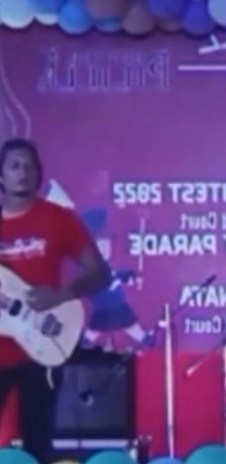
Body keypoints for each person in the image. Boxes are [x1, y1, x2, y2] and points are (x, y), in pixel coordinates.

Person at [0, 137, 110, 462]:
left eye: (29, 166)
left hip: (44, 346)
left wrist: (61, 294)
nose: (22, 172)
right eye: (14, 165)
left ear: (39, 174)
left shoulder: (58, 219)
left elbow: (100, 273)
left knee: (38, 445)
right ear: (1, 175)